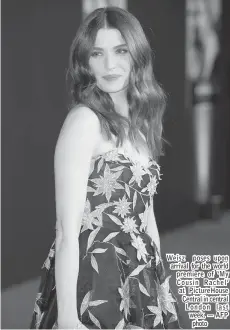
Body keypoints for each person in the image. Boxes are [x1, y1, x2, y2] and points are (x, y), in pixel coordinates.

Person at [30, 6, 181, 329]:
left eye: (120, 51)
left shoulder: (142, 125)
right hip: (95, 277)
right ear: (85, 62)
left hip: (141, 276)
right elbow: (66, 231)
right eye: (97, 53)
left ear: (137, 54)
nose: (110, 65)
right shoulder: (85, 122)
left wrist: (162, 286)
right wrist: (69, 318)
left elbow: (147, 216)